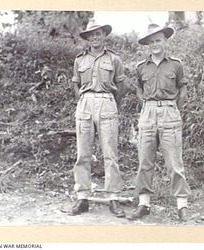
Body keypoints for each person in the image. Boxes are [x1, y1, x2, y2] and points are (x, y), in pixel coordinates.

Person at [127, 24, 191, 221]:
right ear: (147, 44)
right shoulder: (140, 67)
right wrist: (147, 105)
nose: (155, 44)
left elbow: (183, 89)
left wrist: (172, 108)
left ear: (165, 41)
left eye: (158, 40)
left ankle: (182, 206)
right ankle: (144, 204)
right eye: (151, 41)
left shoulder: (176, 65)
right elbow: (138, 88)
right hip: (148, 113)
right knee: (145, 160)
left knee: (174, 162)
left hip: (170, 112)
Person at [70, 20, 126, 218]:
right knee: (83, 153)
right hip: (85, 103)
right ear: (87, 38)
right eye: (91, 34)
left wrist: (111, 103)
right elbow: (76, 85)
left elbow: (121, 86)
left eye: (98, 33)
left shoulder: (114, 59)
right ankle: (82, 197)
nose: (95, 37)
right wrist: (84, 99)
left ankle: (113, 198)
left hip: (107, 102)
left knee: (110, 153)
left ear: (104, 36)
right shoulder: (80, 60)